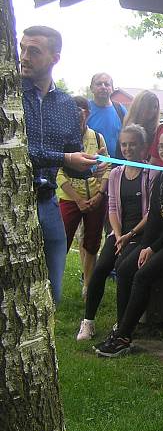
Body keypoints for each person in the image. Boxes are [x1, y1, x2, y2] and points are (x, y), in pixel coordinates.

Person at [92, 129, 163, 357]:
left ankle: (124, 337)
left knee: (143, 275)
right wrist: (145, 246)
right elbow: (155, 216)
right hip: (162, 240)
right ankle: (122, 325)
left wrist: (153, 248)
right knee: (125, 268)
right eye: (162, 146)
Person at [20, 25, 97, 305]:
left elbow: (70, 155)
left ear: (55, 57)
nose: (25, 56)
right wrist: (66, 159)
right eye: (23, 48)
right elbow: (18, 152)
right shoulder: (9, 95)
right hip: (13, 205)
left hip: (48, 205)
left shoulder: (66, 104)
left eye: (34, 51)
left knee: (52, 294)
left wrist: (88, 166)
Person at [77, 125, 157, 341]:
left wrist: (129, 235)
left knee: (123, 269)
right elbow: (112, 207)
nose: (128, 148)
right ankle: (88, 321)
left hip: (141, 235)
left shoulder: (151, 173)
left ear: (143, 146)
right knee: (101, 267)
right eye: (124, 144)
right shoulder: (115, 173)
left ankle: (122, 324)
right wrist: (118, 234)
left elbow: (151, 212)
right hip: (119, 233)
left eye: (133, 144)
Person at [57, 96, 110, 300]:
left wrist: (100, 193)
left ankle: (88, 285)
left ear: (88, 113)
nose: (79, 114)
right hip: (70, 199)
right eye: (74, 109)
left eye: (83, 110)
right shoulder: (61, 139)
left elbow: (107, 167)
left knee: (92, 243)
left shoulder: (97, 138)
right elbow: (58, 172)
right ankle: (54, 285)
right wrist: (77, 199)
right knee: (62, 240)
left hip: (96, 198)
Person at [87, 72, 126, 158]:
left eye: (107, 84)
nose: (103, 87)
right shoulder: (85, 110)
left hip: (117, 166)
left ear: (112, 89)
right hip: (91, 163)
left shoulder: (120, 110)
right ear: (91, 88)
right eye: (99, 84)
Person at [122, 90, 161, 159]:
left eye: (155, 107)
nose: (152, 110)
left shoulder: (158, 132)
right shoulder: (126, 130)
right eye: (149, 106)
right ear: (139, 106)